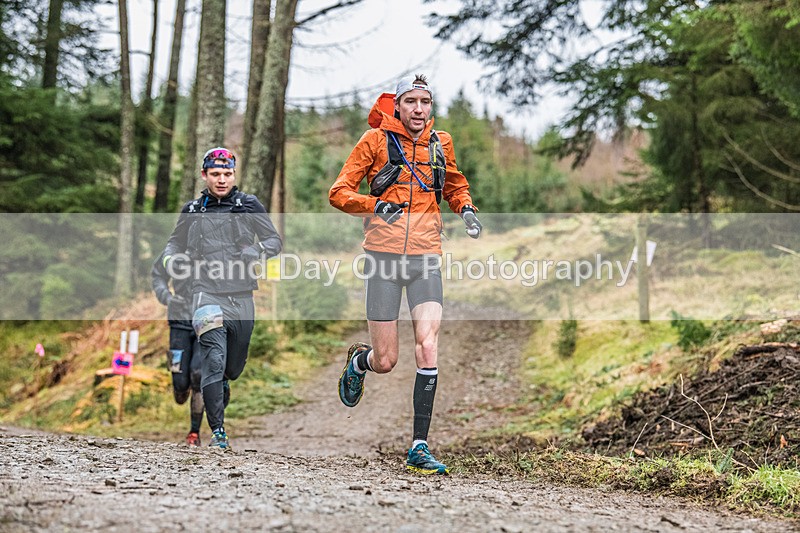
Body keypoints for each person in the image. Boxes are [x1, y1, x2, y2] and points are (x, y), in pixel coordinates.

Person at [329, 74, 482, 474]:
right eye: (411, 101)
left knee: (428, 345)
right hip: (383, 257)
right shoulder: (374, 141)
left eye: (425, 102)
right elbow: (339, 192)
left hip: (426, 255)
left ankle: (419, 446)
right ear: (396, 106)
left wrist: (464, 207)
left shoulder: (440, 142)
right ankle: (360, 363)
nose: (419, 109)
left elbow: (452, 183)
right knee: (387, 360)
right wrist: (374, 206)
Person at [162, 147, 282, 451]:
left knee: (232, 367)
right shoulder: (192, 210)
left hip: (242, 295)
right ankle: (218, 432)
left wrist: (258, 251)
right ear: (204, 175)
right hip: (205, 294)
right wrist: (172, 259)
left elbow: (274, 240)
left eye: (227, 174)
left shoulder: (249, 205)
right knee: (213, 360)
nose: (221, 179)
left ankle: (224, 385)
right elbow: (173, 243)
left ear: (234, 175)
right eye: (215, 174)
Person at [151, 251, 205, 447]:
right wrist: (166, 296)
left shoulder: (217, 246)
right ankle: (180, 388)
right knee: (180, 383)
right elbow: (157, 274)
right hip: (178, 322)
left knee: (198, 375)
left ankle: (194, 432)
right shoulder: (173, 250)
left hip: (207, 319)